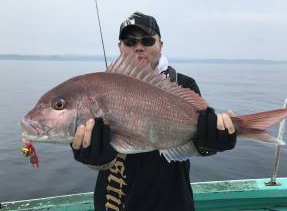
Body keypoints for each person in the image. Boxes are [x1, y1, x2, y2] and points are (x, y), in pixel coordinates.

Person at [71, 12, 236, 211]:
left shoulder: (182, 84)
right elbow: (100, 164)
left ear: (160, 45)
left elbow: (195, 145)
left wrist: (210, 143)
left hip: (170, 202)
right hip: (113, 203)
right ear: (119, 47)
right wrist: (94, 158)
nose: (139, 47)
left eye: (147, 40)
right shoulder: (103, 88)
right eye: (130, 41)